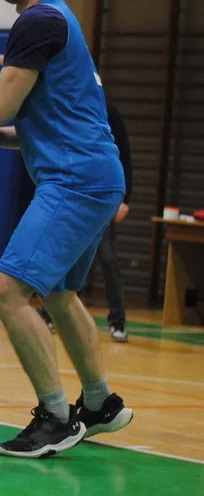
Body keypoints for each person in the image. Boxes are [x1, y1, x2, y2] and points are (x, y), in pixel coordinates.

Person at [0, 0, 133, 458]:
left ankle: (56, 417)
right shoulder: (58, 19)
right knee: (59, 294)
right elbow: (34, 121)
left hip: (75, 180)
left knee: (6, 291)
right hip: (95, 175)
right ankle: (100, 403)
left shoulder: (37, 21)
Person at [93, 95, 132, 342]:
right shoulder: (68, 106)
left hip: (104, 197)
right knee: (63, 260)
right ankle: (49, 314)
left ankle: (117, 321)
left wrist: (126, 199)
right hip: (74, 194)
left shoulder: (108, 111)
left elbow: (125, 156)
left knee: (108, 259)